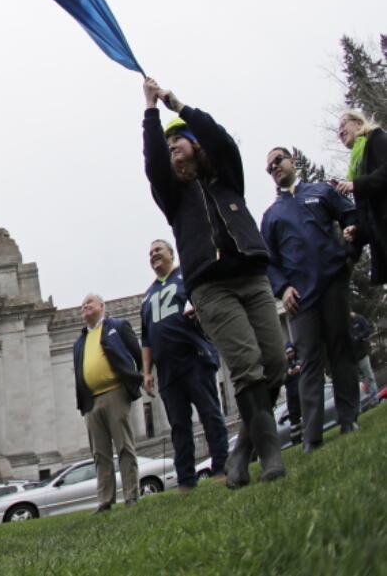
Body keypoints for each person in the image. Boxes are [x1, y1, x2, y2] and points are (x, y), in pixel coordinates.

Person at [142, 78, 286, 487]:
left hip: (252, 275)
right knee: (246, 367)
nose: (171, 148)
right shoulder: (174, 196)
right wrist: (151, 112)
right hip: (211, 287)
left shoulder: (227, 178)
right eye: (169, 146)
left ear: (194, 143)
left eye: (178, 142)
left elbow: (221, 140)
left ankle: (243, 448)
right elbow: (153, 161)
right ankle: (270, 451)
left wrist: (179, 106)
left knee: (274, 362)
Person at [261, 147, 361, 447]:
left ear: (292, 161)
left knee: (341, 349)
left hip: (332, 282)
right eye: (269, 168)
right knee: (310, 362)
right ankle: (312, 436)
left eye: (278, 160)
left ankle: (348, 419)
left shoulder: (320, 193)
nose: (274, 168)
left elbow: (351, 215)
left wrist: (349, 252)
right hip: (301, 297)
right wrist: (283, 288)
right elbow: (268, 260)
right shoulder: (272, 215)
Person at [139, 239, 228, 488]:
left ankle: (221, 466)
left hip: (194, 357)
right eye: (150, 252)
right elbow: (146, 337)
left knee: (210, 413)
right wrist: (147, 372)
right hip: (167, 368)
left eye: (158, 250)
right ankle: (186, 479)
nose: (153, 254)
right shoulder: (147, 296)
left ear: (171, 254)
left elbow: (209, 304)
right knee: (178, 425)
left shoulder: (187, 277)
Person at [72, 293, 142, 511]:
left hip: (115, 393)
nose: (84, 307)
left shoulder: (117, 326)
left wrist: (137, 378)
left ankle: (131, 494)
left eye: (89, 303)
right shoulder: (80, 341)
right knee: (99, 453)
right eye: (82, 305)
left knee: (124, 446)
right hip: (91, 400)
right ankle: (105, 499)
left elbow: (137, 354)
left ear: (102, 306)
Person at [336, 110, 387, 286]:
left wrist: (356, 185)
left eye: (343, 124)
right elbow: (372, 214)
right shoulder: (357, 164)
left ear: (358, 123)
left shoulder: (376, 138)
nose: (340, 131)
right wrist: (358, 230)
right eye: (338, 130)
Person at [349, 311, 376, 396]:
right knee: (357, 381)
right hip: (351, 357)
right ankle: (364, 400)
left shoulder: (358, 319)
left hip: (362, 353)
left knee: (369, 376)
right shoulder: (344, 324)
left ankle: (374, 398)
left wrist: (358, 337)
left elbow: (368, 330)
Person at [283, 343, 302, 441]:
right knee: (294, 419)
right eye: (288, 353)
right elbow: (284, 378)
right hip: (292, 395)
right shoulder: (286, 365)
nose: (290, 354)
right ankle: (296, 439)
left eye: (291, 352)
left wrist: (298, 367)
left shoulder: (300, 360)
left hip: (302, 393)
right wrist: (288, 373)